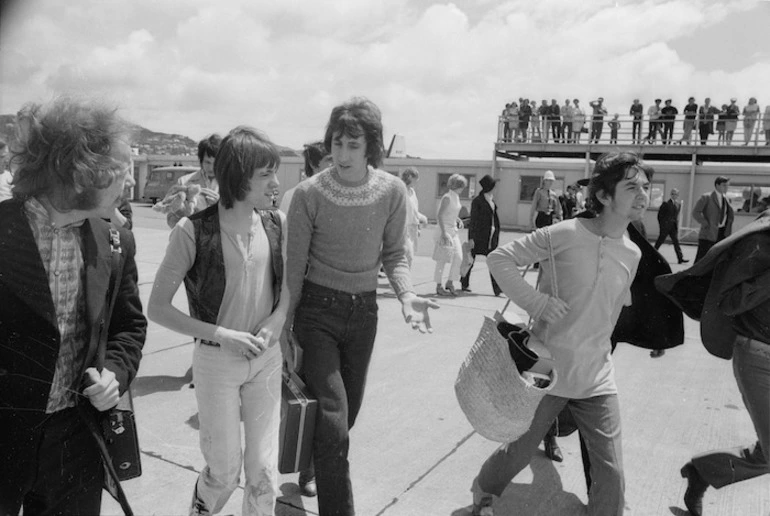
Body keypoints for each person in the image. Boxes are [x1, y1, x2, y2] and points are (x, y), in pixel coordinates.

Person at [471, 152, 650, 516]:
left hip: (597, 377)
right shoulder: (565, 233)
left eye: (645, 187)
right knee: (518, 453)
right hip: (548, 372)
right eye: (632, 187)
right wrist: (536, 302)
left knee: (612, 472)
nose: (643, 194)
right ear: (603, 196)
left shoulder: (632, 253)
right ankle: (484, 493)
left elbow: (612, 312)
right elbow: (499, 259)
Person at [285, 97, 438, 516]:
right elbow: (293, 269)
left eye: (354, 145)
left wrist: (406, 295)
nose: (343, 154)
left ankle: (312, 465)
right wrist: (285, 327)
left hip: (364, 313)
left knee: (343, 419)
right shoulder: (307, 195)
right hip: (316, 314)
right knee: (334, 422)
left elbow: (395, 255)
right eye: (337, 143)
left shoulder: (391, 192)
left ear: (371, 147)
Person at [0, 97, 147, 515]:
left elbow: (128, 328)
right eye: (120, 175)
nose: (130, 187)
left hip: (77, 440)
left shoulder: (116, 242)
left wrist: (114, 375)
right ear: (80, 173)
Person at [148, 126, 288, 516]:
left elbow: (289, 285)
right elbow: (157, 307)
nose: (276, 183)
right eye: (265, 174)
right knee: (224, 471)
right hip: (216, 363)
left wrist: (277, 319)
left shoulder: (277, 223)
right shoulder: (192, 231)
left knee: (263, 472)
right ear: (237, 176)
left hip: (266, 361)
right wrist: (221, 334)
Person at [656, 210, 770, 516]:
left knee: (768, 451)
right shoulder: (758, 243)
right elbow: (729, 301)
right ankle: (705, 471)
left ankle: (704, 471)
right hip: (758, 356)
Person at [166, 134, 222, 228]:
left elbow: (236, 221)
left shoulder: (230, 185)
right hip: (190, 240)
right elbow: (170, 221)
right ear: (201, 160)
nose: (211, 168)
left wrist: (220, 207)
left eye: (216, 163)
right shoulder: (184, 182)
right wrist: (184, 214)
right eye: (207, 162)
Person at [460, 174, 501, 296]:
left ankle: (497, 288)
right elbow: (474, 221)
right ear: (489, 187)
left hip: (490, 237)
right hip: (479, 237)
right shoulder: (477, 201)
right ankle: (464, 283)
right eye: (494, 186)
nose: (496, 188)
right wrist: (471, 238)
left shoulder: (491, 200)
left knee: (492, 261)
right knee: (470, 261)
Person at [434, 173, 467, 296]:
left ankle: (450, 282)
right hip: (444, 231)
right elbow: (440, 216)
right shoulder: (447, 197)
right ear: (457, 186)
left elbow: (451, 212)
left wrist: (457, 219)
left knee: (459, 257)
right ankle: (438, 285)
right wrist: (443, 233)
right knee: (442, 259)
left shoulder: (456, 197)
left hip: (453, 230)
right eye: (462, 186)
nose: (463, 189)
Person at [279, 140, 332, 216]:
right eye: (330, 160)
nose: (335, 165)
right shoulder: (292, 195)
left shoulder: (340, 195)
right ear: (313, 163)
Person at [692, 176, 734, 263]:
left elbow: (729, 215)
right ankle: (693, 276)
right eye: (724, 185)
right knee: (701, 260)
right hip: (708, 234)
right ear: (717, 185)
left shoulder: (726, 199)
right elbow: (695, 212)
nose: (726, 188)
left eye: (727, 186)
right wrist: (705, 223)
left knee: (717, 259)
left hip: (722, 233)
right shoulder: (706, 197)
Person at [402, 166, 429, 269]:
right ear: (409, 177)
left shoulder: (412, 192)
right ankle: (402, 279)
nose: (416, 181)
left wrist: (422, 218)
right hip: (404, 228)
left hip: (413, 227)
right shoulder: (401, 190)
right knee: (408, 255)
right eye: (415, 178)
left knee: (409, 255)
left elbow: (414, 210)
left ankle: (404, 278)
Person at [654, 188, 688, 265]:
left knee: (676, 242)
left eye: (675, 194)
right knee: (660, 241)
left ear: (678, 195)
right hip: (665, 227)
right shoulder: (665, 203)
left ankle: (680, 258)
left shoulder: (678, 204)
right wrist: (662, 225)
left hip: (673, 227)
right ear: (671, 194)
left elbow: (675, 216)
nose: (674, 195)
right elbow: (660, 216)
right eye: (672, 193)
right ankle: (651, 254)